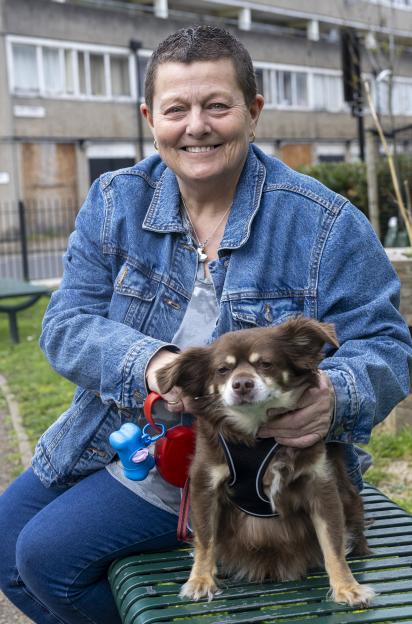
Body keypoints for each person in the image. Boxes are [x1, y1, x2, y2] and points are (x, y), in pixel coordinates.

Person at [0, 24, 411, 624]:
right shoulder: (116, 200)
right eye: (176, 109)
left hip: (253, 460)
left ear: (253, 110)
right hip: (118, 434)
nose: (196, 125)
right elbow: (65, 322)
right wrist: (153, 363)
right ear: (150, 117)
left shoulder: (326, 224)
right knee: (6, 545)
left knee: (46, 556)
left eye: (217, 105)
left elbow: (388, 347)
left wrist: (336, 396)